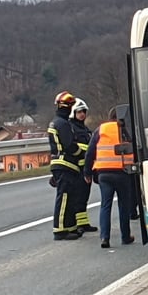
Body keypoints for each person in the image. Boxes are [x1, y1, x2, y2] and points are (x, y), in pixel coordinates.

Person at [84, 107, 135, 249]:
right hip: (122, 172)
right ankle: (125, 236)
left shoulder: (101, 129)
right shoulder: (124, 129)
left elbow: (90, 152)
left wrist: (87, 172)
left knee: (105, 205)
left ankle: (104, 238)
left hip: (103, 173)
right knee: (124, 206)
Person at [48, 91, 85, 240]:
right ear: (69, 107)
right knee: (63, 197)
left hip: (63, 164)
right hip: (65, 164)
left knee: (69, 197)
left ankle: (70, 227)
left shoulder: (58, 122)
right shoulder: (62, 124)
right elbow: (69, 145)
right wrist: (81, 153)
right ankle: (60, 230)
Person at [69, 98, 97, 233]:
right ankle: (78, 224)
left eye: (84, 112)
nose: (82, 114)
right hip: (77, 168)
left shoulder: (84, 128)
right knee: (78, 196)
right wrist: (88, 151)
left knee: (85, 195)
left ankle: (84, 223)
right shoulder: (71, 128)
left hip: (86, 167)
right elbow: (75, 146)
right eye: (79, 112)